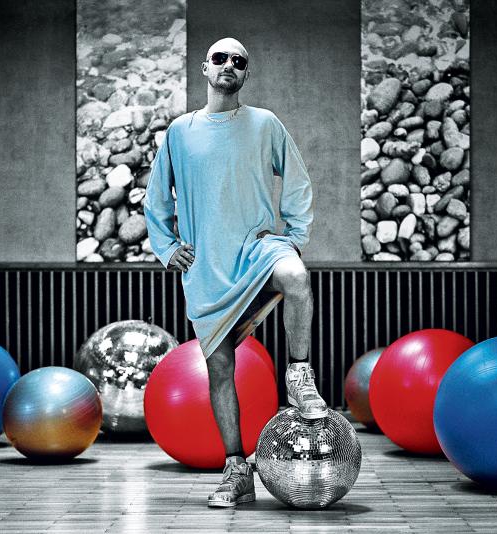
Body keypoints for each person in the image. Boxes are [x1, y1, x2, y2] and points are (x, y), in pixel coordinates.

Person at [143, 37, 326, 508]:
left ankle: (299, 376)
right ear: (205, 68)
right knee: (220, 367)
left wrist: (294, 236)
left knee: (296, 276)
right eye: (220, 58)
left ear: (246, 73)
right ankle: (236, 471)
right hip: (207, 267)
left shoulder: (265, 123)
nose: (229, 65)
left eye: (239, 61)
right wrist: (166, 248)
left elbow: (298, 180)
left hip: (257, 248)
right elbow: (155, 198)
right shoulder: (180, 132)